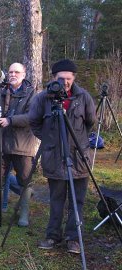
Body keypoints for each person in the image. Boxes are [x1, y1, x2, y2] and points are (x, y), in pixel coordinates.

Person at [29, 59, 96, 254]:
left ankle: (73, 238)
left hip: (79, 158)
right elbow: (34, 122)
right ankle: (52, 236)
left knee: (78, 201)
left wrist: (77, 141)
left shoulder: (84, 97)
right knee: (56, 198)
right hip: (54, 156)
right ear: (53, 78)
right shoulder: (43, 98)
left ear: (74, 78)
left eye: (68, 78)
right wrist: (50, 140)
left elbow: (90, 122)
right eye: (61, 78)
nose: (65, 82)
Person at [0, 62, 37, 227]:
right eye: (11, 72)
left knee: (25, 179)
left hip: (23, 144)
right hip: (2, 142)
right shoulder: (2, 90)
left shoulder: (32, 93)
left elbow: (32, 117)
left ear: (24, 74)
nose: (13, 75)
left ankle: (24, 214)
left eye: (17, 72)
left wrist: (11, 120)